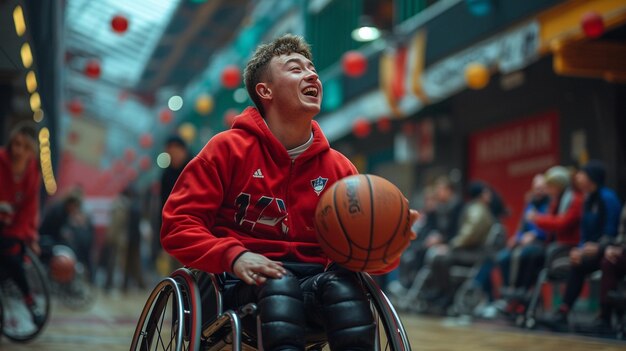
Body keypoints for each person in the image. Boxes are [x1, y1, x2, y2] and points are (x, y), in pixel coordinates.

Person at [161, 34, 419, 350]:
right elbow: (178, 226)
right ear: (265, 90)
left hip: (315, 286)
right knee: (278, 281)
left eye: (313, 70)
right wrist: (234, 256)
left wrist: (389, 242)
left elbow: (366, 258)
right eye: (296, 69)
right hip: (239, 285)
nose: (312, 75)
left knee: (344, 287)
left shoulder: (339, 169)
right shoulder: (226, 150)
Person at [538, 161, 620, 331]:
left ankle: (604, 318)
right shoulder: (587, 199)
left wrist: (600, 247)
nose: (577, 177)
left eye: (581, 174)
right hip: (590, 251)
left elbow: (612, 230)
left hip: (607, 250)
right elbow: (584, 233)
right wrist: (580, 249)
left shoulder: (608, 198)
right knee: (577, 264)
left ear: (592, 178)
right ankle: (563, 312)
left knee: (607, 263)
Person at [0, 122, 44, 326]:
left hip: (13, 227)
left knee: (14, 253)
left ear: (30, 151)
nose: (18, 150)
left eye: (24, 147)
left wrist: (30, 236)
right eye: (15, 144)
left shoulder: (32, 172)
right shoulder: (1, 160)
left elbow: (30, 209)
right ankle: (29, 300)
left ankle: (29, 300)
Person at [496, 174, 550, 312]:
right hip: (524, 243)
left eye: (542, 188)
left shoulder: (551, 204)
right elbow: (522, 227)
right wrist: (517, 237)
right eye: (536, 188)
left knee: (526, 255)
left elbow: (552, 228)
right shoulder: (530, 204)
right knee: (503, 256)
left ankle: (522, 293)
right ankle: (509, 293)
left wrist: (536, 234)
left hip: (541, 244)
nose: (539, 191)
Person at [153, 135, 191, 272]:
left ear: (183, 151)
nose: (172, 157)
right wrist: (161, 240)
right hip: (174, 227)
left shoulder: (194, 166)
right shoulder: (167, 174)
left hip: (194, 226)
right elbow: (163, 207)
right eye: (169, 153)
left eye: (174, 152)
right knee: (176, 272)